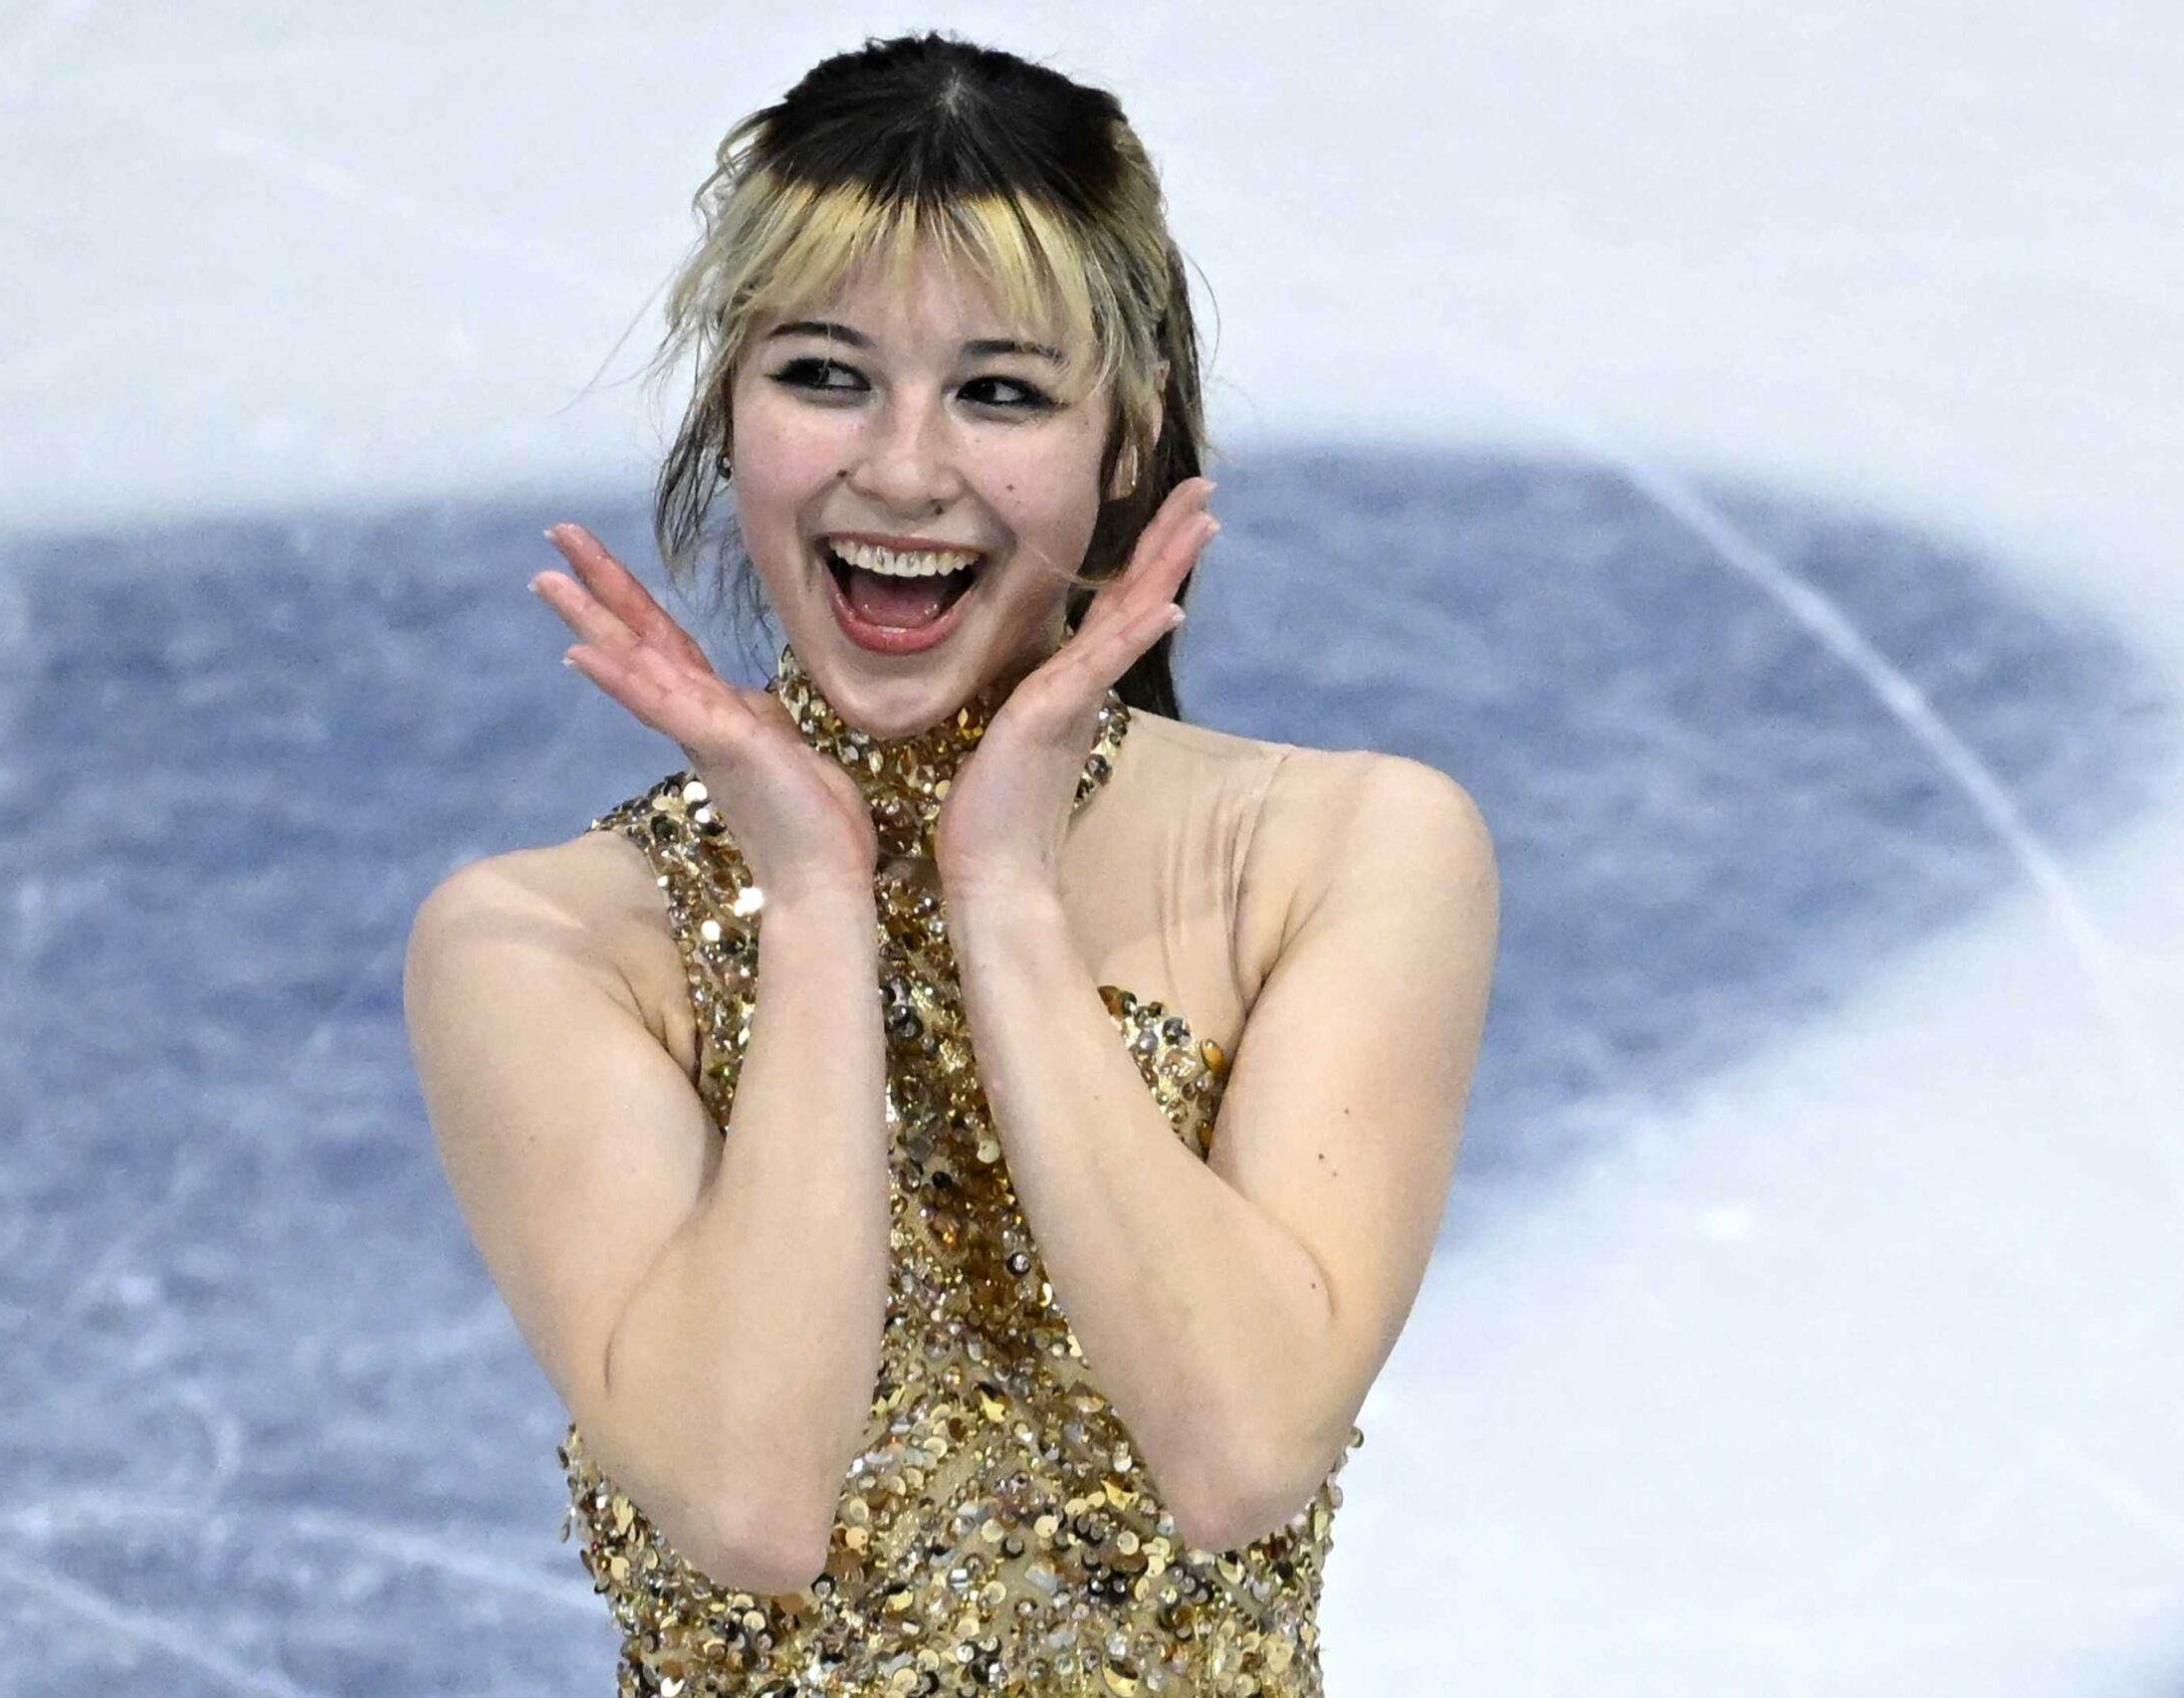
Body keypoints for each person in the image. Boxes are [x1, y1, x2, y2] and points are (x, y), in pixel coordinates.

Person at [404, 32, 1497, 1695]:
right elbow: (751, 1502)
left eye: (998, 391)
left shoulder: (1347, 854)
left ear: (1125, 437)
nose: (902, 469)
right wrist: (821, 901)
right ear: (730, 402)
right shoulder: (544, 947)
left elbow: (1239, 1450)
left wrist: (1002, 891)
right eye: (826, 374)